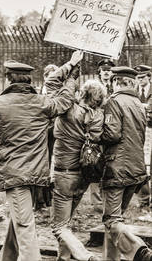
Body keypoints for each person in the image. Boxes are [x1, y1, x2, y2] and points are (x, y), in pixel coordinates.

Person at [0, 52, 82, 261]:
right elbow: (65, 99)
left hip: (15, 175)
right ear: (28, 79)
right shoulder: (42, 102)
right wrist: (73, 72)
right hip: (37, 176)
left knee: (24, 224)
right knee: (19, 218)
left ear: (8, 78)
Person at [50, 62, 106, 260]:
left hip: (64, 173)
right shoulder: (99, 116)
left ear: (82, 94)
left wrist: (72, 71)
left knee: (58, 226)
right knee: (67, 221)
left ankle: (85, 256)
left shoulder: (69, 110)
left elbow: (52, 83)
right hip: (84, 175)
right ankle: (63, 258)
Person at [101, 66, 152, 261]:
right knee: (117, 219)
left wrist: (96, 135)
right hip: (136, 168)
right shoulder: (139, 103)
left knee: (112, 220)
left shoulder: (114, 102)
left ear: (116, 82)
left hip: (117, 168)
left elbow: (112, 134)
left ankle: (141, 251)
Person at [88, 58, 115, 213]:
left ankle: (107, 198)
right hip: (97, 128)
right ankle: (97, 202)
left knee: (109, 163)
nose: (106, 73)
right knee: (94, 163)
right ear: (99, 71)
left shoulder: (115, 87)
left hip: (110, 128)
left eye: (108, 70)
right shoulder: (94, 87)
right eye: (103, 70)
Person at [134, 64, 152, 210]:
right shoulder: (134, 92)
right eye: (138, 77)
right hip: (138, 130)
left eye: (142, 77)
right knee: (140, 164)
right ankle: (144, 200)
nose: (140, 80)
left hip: (151, 129)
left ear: (149, 77)